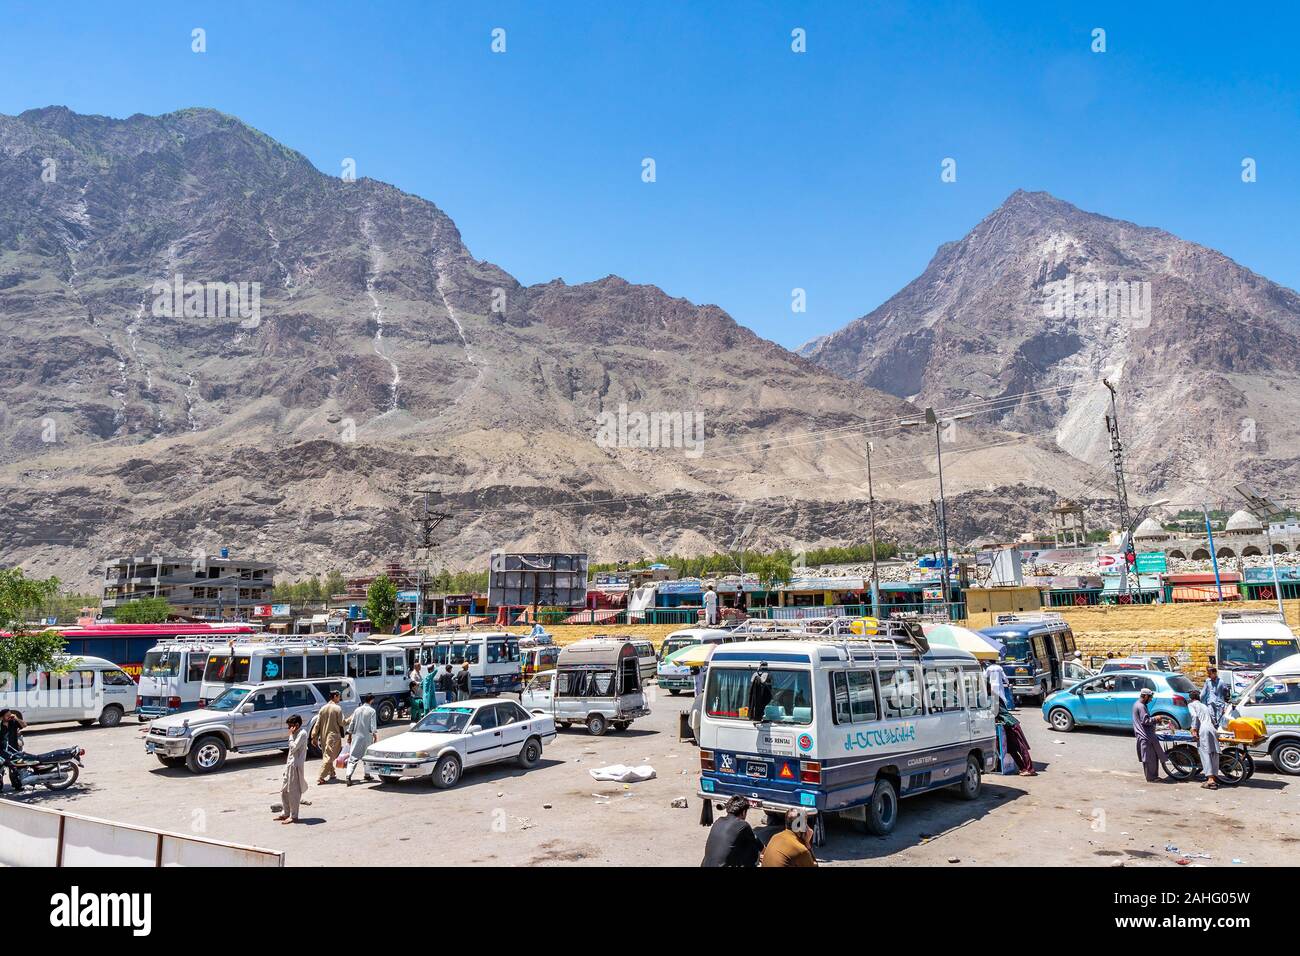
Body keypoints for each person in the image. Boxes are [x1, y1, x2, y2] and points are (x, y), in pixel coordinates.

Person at [700, 795, 762, 867]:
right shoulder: (743, 825)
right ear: (744, 812)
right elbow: (757, 844)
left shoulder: (718, 821)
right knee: (751, 849)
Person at [275, 715, 309, 823]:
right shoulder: (294, 733)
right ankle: (286, 813)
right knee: (284, 791)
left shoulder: (302, 734)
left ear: (297, 725)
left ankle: (294, 816)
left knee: (293, 792)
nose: (289, 728)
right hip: (289, 765)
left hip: (296, 766)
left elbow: (293, 748)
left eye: (290, 726)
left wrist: (290, 736)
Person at [994, 693, 1036, 775]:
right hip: (1006, 726)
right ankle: (1023, 768)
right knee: (1011, 749)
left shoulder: (992, 698)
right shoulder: (994, 697)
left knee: (1021, 747)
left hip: (1011, 724)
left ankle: (1030, 769)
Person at [1187, 689, 1220, 790]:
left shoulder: (1192, 705)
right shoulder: (1204, 705)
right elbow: (1213, 719)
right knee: (1214, 752)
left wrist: (1193, 729)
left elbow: (1194, 716)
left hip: (1204, 729)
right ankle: (1214, 777)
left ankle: (1210, 780)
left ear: (1191, 699)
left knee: (1205, 753)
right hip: (1212, 728)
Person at [312, 690, 347, 785]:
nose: (340, 698)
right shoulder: (337, 708)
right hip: (333, 736)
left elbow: (317, 724)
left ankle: (332, 773)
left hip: (324, 736)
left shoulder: (322, 708)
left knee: (327, 754)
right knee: (329, 756)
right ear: (335, 696)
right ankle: (321, 777)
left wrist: (314, 737)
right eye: (339, 696)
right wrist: (352, 718)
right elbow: (342, 723)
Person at [345, 694, 378, 786]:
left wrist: (349, 736)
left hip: (356, 737)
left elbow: (352, 724)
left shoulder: (357, 710)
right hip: (367, 737)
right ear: (371, 700)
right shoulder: (372, 711)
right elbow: (372, 726)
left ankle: (348, 775)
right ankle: (367, 774)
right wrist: (375, 735)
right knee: (367, 757)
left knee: (353, 758)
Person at [1132, 687, 1162, 783]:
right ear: (1145, 696)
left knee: (1152, 757)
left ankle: (1152, 776)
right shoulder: (1141, 706)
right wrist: (1156, 718)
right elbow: (1145, 721)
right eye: (1150, 698)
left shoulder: (1138, 704)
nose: (1151, 700)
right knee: (1149, 758)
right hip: (1145, 736)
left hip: (1145, 735)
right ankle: (1151, 777)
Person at [0, 708, 27, 792]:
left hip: (14, 750)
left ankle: (17, 785)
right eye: (7, 715)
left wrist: (17, 718)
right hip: (2, 751)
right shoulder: (0, 726)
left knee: (15, 769)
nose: (9, 717)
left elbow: (24, 725)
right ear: (2, 717)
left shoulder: (13, 722)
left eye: (10, 714)